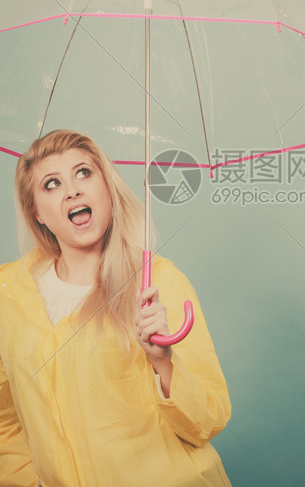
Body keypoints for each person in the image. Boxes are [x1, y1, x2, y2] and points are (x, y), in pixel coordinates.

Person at [0, 130, 231, 487]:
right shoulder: (8, 291)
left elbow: (209, 420)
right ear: (37, 213)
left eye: (84, 173)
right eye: (51, 184)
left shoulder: (158, 282)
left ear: (107, 188)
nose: (73, 190)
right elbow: (5, 420)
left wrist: (163, 363)